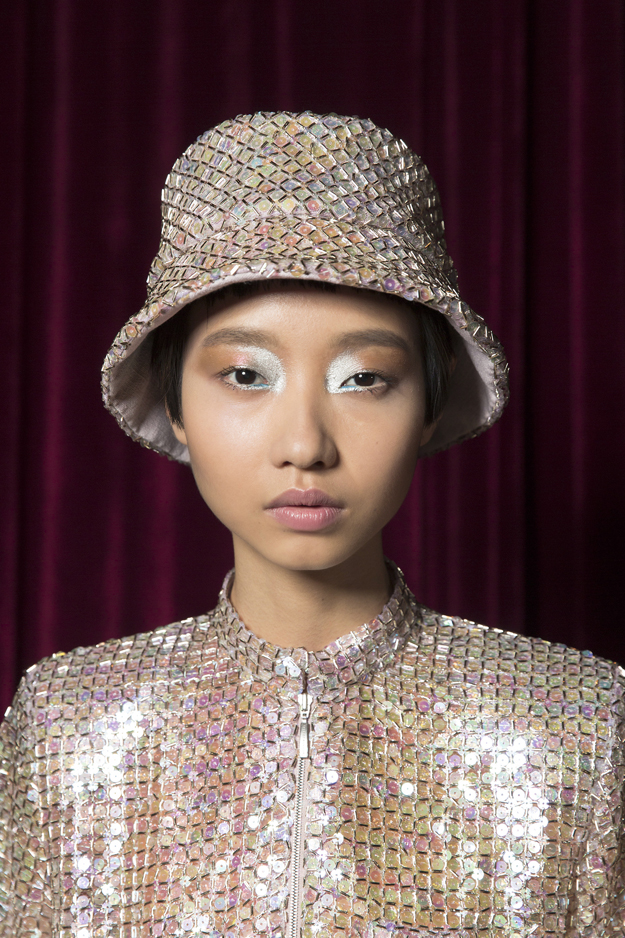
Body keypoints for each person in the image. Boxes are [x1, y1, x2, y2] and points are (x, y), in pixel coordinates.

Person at [1, 111, 623, 938]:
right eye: (245, 375)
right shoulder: (68, 725)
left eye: (363, 377)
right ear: (175, 401)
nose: (304, 444)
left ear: (429, 402)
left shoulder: (575, 723)